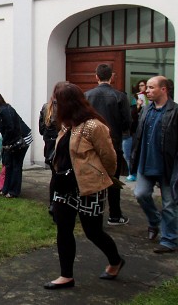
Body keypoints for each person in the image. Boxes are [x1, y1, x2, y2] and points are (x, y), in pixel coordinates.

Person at [44, 82, 124, 290]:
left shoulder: (93, 126)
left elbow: (109, 157)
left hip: (89, 188)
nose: (54, 104)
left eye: (57, 101)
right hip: (65, 187)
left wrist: (102, 177)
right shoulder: (66, 125)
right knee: (63, 229)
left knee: (93, 232)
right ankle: (66, 276)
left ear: (68, 103)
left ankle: (115, 260)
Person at [130, 76, 178, 254]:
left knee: (169, 204)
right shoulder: (146, 110)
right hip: (146, 161)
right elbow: (137, 133)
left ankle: (169, 240)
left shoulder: (175, 111)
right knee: (140, 194)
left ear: (163, 89)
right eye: (147, 88)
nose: (146, 91)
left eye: (151, 88)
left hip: (167, 165)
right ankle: (154, 221)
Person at [84, 64, 131, 227]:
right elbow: (127, 122)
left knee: (93, 179)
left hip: (92, 144)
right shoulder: (120, 96)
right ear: (111, 76)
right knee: (113, 181)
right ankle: (115, 215)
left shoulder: (87, 96)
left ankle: (92, 213)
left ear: (96, 76)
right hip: (113, 143)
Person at [0, 91, 32, 198]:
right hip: (12, 140)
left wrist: (5, 143)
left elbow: (11, 128)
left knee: (16, 165)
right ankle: (5, 189)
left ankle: (13, 191)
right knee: (8, 164)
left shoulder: (5, 110)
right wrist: (6, 143)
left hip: (22, 139)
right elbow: (6, 130)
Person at [39, 85, 61, 214]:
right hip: (58, 144)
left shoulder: (46, 107)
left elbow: (41, 128)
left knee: (54, 175)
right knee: (61, 175)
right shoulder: (64, 107)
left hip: (49, 144)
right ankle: (57, 204)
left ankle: (52, 203)